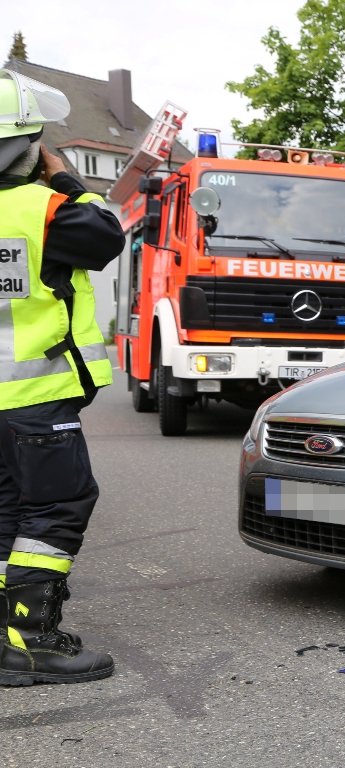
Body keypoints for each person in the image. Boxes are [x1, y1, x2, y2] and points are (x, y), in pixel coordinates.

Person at [0, 69, 125, 686]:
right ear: (27, 146)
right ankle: (31, 640)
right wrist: (67, 176)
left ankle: (3, 636)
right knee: (55, 510)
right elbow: (106, 236)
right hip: (36, 400)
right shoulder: (45, 208)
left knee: (5, 514)